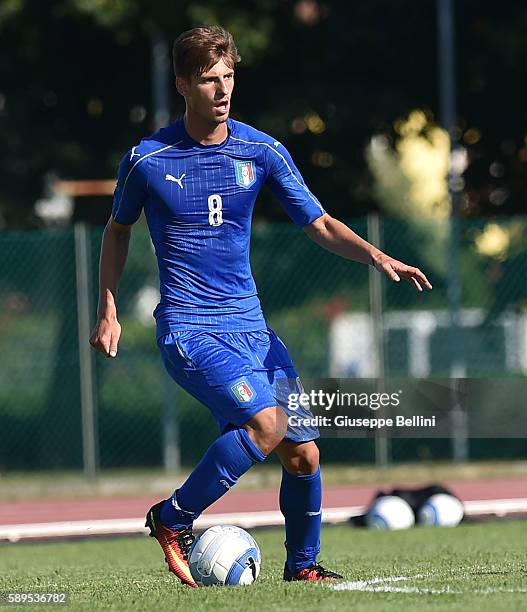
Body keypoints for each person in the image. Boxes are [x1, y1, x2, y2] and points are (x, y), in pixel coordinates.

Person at [89, 25, 432, 588]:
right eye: (208, 79)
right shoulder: (148, 159)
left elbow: (318, 223)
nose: (222, 89)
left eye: (228, 76)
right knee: (268, 424)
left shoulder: (262, 149)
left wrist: (376, 256)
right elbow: (117, 231)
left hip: (252, 329)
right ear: (182, 84)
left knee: (304, 456)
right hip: (190, 329)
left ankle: (303, 568)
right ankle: (173, 519)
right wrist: (108, 309)